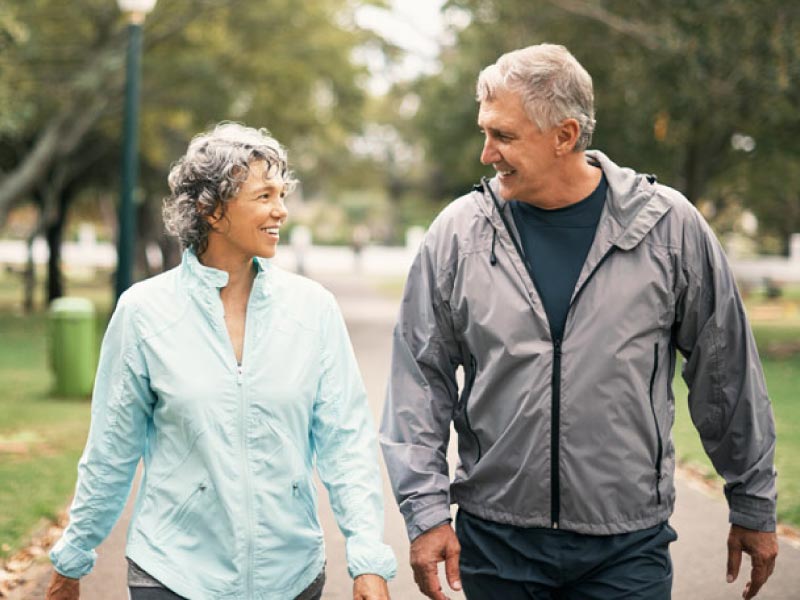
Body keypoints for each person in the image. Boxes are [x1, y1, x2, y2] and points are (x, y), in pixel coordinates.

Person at [380, 44, 778, 600]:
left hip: (626, 546)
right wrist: (426, 515)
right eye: (484, 132)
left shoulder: (668, 228)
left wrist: (753, 502)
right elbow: (418, 386)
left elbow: (726, 371)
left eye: (504, 136)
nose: (486, 153)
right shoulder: (458, 235)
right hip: (496, 542)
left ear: (564, 135)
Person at [46, 123, 396, 600]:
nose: (282, 210)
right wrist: (73, 558)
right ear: (211, 210)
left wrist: (368, 558)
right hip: (172, 575)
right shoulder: (144, 311)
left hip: (290, 578)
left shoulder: (313, 309)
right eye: (264, 195)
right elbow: (112, 448)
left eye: (282, 193)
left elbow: (345, 442)